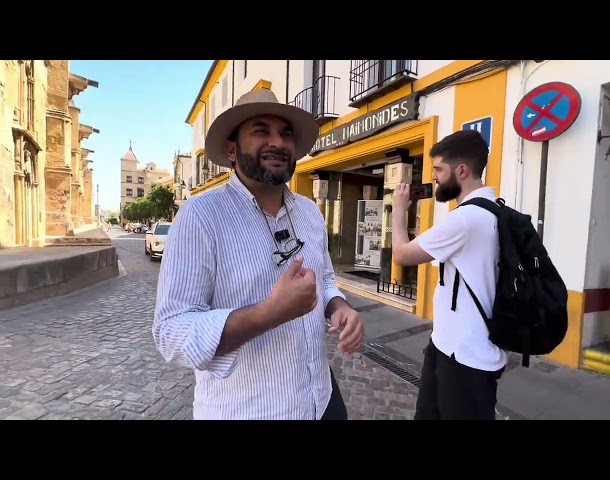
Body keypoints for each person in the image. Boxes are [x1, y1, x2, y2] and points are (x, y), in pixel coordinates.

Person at [152, 89, 364, 420]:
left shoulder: (309, 212)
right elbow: (172, 331)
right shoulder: (201, 216)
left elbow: (324, 278)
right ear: (232, 149)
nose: (278, 142)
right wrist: (270, 312)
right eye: (261, 131)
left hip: (321, 400)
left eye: (286, 134)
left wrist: (339, 306)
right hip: (248, 410)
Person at [391, 129, 507, 420]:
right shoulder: (494, 210)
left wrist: (398, 211)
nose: (434, 178)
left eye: (439, 170)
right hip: (449, 347)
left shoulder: (465, 219)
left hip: (465, 359)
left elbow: (402, 255)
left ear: (462, 170)